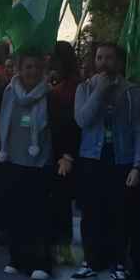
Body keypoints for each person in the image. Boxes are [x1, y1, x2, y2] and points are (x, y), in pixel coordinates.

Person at [0, 50, 78, 280]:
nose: (31, 71)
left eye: (35, 67)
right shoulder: (9, 93)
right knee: (16, 213)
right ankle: (17, 258)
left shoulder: (51, 97)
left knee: (40, 215)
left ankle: (41, 262)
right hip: (12, 161)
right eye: (27, 67)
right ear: (19, 70)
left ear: (42, 71)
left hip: (40, 163)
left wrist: (66, 156)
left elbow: (64, 128)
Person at [72, 42, 140, 280]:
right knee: (92, 213)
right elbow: (82, 120)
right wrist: (99, 91)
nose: (105, 62)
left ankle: (119, 263)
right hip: (92, 158)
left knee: (119, 213)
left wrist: (137, 164)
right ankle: (91, 261)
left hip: (120, 159)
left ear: (119, 61)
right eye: (100, 57)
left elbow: (139, 128)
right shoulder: (85, 88)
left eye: (110, 58)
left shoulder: (132, 91)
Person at [47, 41, 82, 267]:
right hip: (48, 151)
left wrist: (68, 155)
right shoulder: (56, 83)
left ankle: (63, 246)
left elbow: (73, 124)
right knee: (54, 201)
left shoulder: (74, 87)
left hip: (64, 154)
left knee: (61, 201)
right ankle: (55, 243)